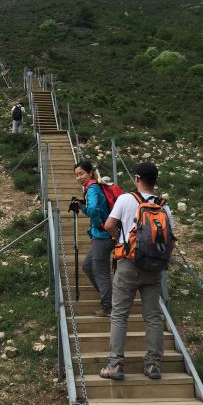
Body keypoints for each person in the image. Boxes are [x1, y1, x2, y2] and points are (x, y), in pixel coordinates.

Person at [100, 162, 173, 381]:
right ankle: (152, 364)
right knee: (153, 316)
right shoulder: (163, 206)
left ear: (137, 178)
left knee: (120, 314)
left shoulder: (125, 198)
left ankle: (115, 365)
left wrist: (120, 240)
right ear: (155, 180)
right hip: (154, 267)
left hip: (128, 263)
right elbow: (171, 237)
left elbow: (109, 225)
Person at [73, 161, 115, 317]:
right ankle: (110, 298)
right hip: (101, 235)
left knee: (100, 271)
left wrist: (81, 206)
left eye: (81, 173)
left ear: (90, 173)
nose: (78, 177)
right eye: (76, 175)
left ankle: (108, 306)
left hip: (103, 236)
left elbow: (93, 209)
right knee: (88, 267)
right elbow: (97, 207)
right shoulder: (94, 188)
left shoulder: (92, 188)